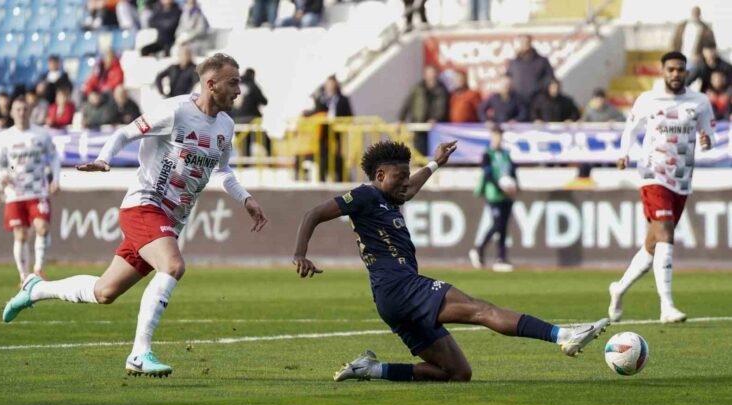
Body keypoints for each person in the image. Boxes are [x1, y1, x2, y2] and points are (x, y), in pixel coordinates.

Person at [2, 53, 270, 378]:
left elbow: (223, 170)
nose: (239, 90)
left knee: (104, 292)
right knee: (172, 266)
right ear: (211, 84)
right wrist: (105, 159)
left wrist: (246, 199)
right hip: (144, 205)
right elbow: (125, 133)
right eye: (233, 82)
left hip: (170, 220)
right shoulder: (176, 111)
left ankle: (35, 289)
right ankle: (139, 353)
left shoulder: (226, 126)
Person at [293, 140, 609, 383]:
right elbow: (313, 213)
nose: (405, 182)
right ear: (379, 175)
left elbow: (412, 188)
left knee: (456, 373)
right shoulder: (364, 196)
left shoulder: (390, 197)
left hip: (390, 298)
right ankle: (562, 335)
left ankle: (372, 369)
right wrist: (299, 254)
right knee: (482, 309)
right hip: (401, 287)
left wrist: (435, 162)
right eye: (399, 176)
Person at [609, 51, 715, 324]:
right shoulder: (647, 100)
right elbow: (630, 130)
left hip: (681, 179)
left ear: (687, 72)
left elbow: (709, 134)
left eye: (680, 70)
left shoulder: (700, 102)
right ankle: (666, 306)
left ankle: (619, 287)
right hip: (653, 174)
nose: (676, 74)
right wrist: (625, 154)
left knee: (654, 244)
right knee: (666, 233)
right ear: (662, 71)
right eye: (671, 69)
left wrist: (706, 141)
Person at [0, 97, 60, 284]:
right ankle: (23, 276)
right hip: (15, 193)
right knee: (21, 234)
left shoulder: (41, 134)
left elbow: (54, 157)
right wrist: (2, 175)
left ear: (30, 111)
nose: (21, 113)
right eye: (18, 109)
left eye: (25, 109)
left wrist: (55, 179)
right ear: (11, 112)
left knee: (42, 227)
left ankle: (39, 270)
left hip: (38, 191)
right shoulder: (5, 137)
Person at [469, 126, 516, 272]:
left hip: (507, 195)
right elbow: (488, 175)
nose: (498, 138)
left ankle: (501, 258)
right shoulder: (487, 155)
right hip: (494, 194)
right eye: (496, 135)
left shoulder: (506, 154)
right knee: (497, 224)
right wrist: (501, 187)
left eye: (500, 135)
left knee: (503, 227)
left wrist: (515, 187)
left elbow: (513, 172)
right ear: (492, 136)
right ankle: (479, 250)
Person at [399, 65, 449, 155]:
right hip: (419, 123)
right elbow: (408, 103)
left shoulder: (442, 89)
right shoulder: (417, 88)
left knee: (435, 151)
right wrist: (401, 119)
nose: (432, 76)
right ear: (425, 75)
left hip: (435, 126)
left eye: (434, 73)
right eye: (430, 73)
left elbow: (443, 107)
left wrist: (436, 118)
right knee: (419, 150)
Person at [506, 35, 554, 103]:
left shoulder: (542, 61)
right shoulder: (514, 63)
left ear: (530, 43)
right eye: (522, 42)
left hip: (537, 100)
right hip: (518, 100)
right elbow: (508, 78)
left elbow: (549, 77)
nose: (525, 45)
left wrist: (539, 88)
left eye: (527, 42)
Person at [671, 6, 715, 73]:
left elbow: (710, 46)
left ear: (700, 14)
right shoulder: (682, 26)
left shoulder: (705, 28)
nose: (695, 15)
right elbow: (674, 41)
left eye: (697, 13)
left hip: (695, 61)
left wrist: (701, 56)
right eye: (694, 13)